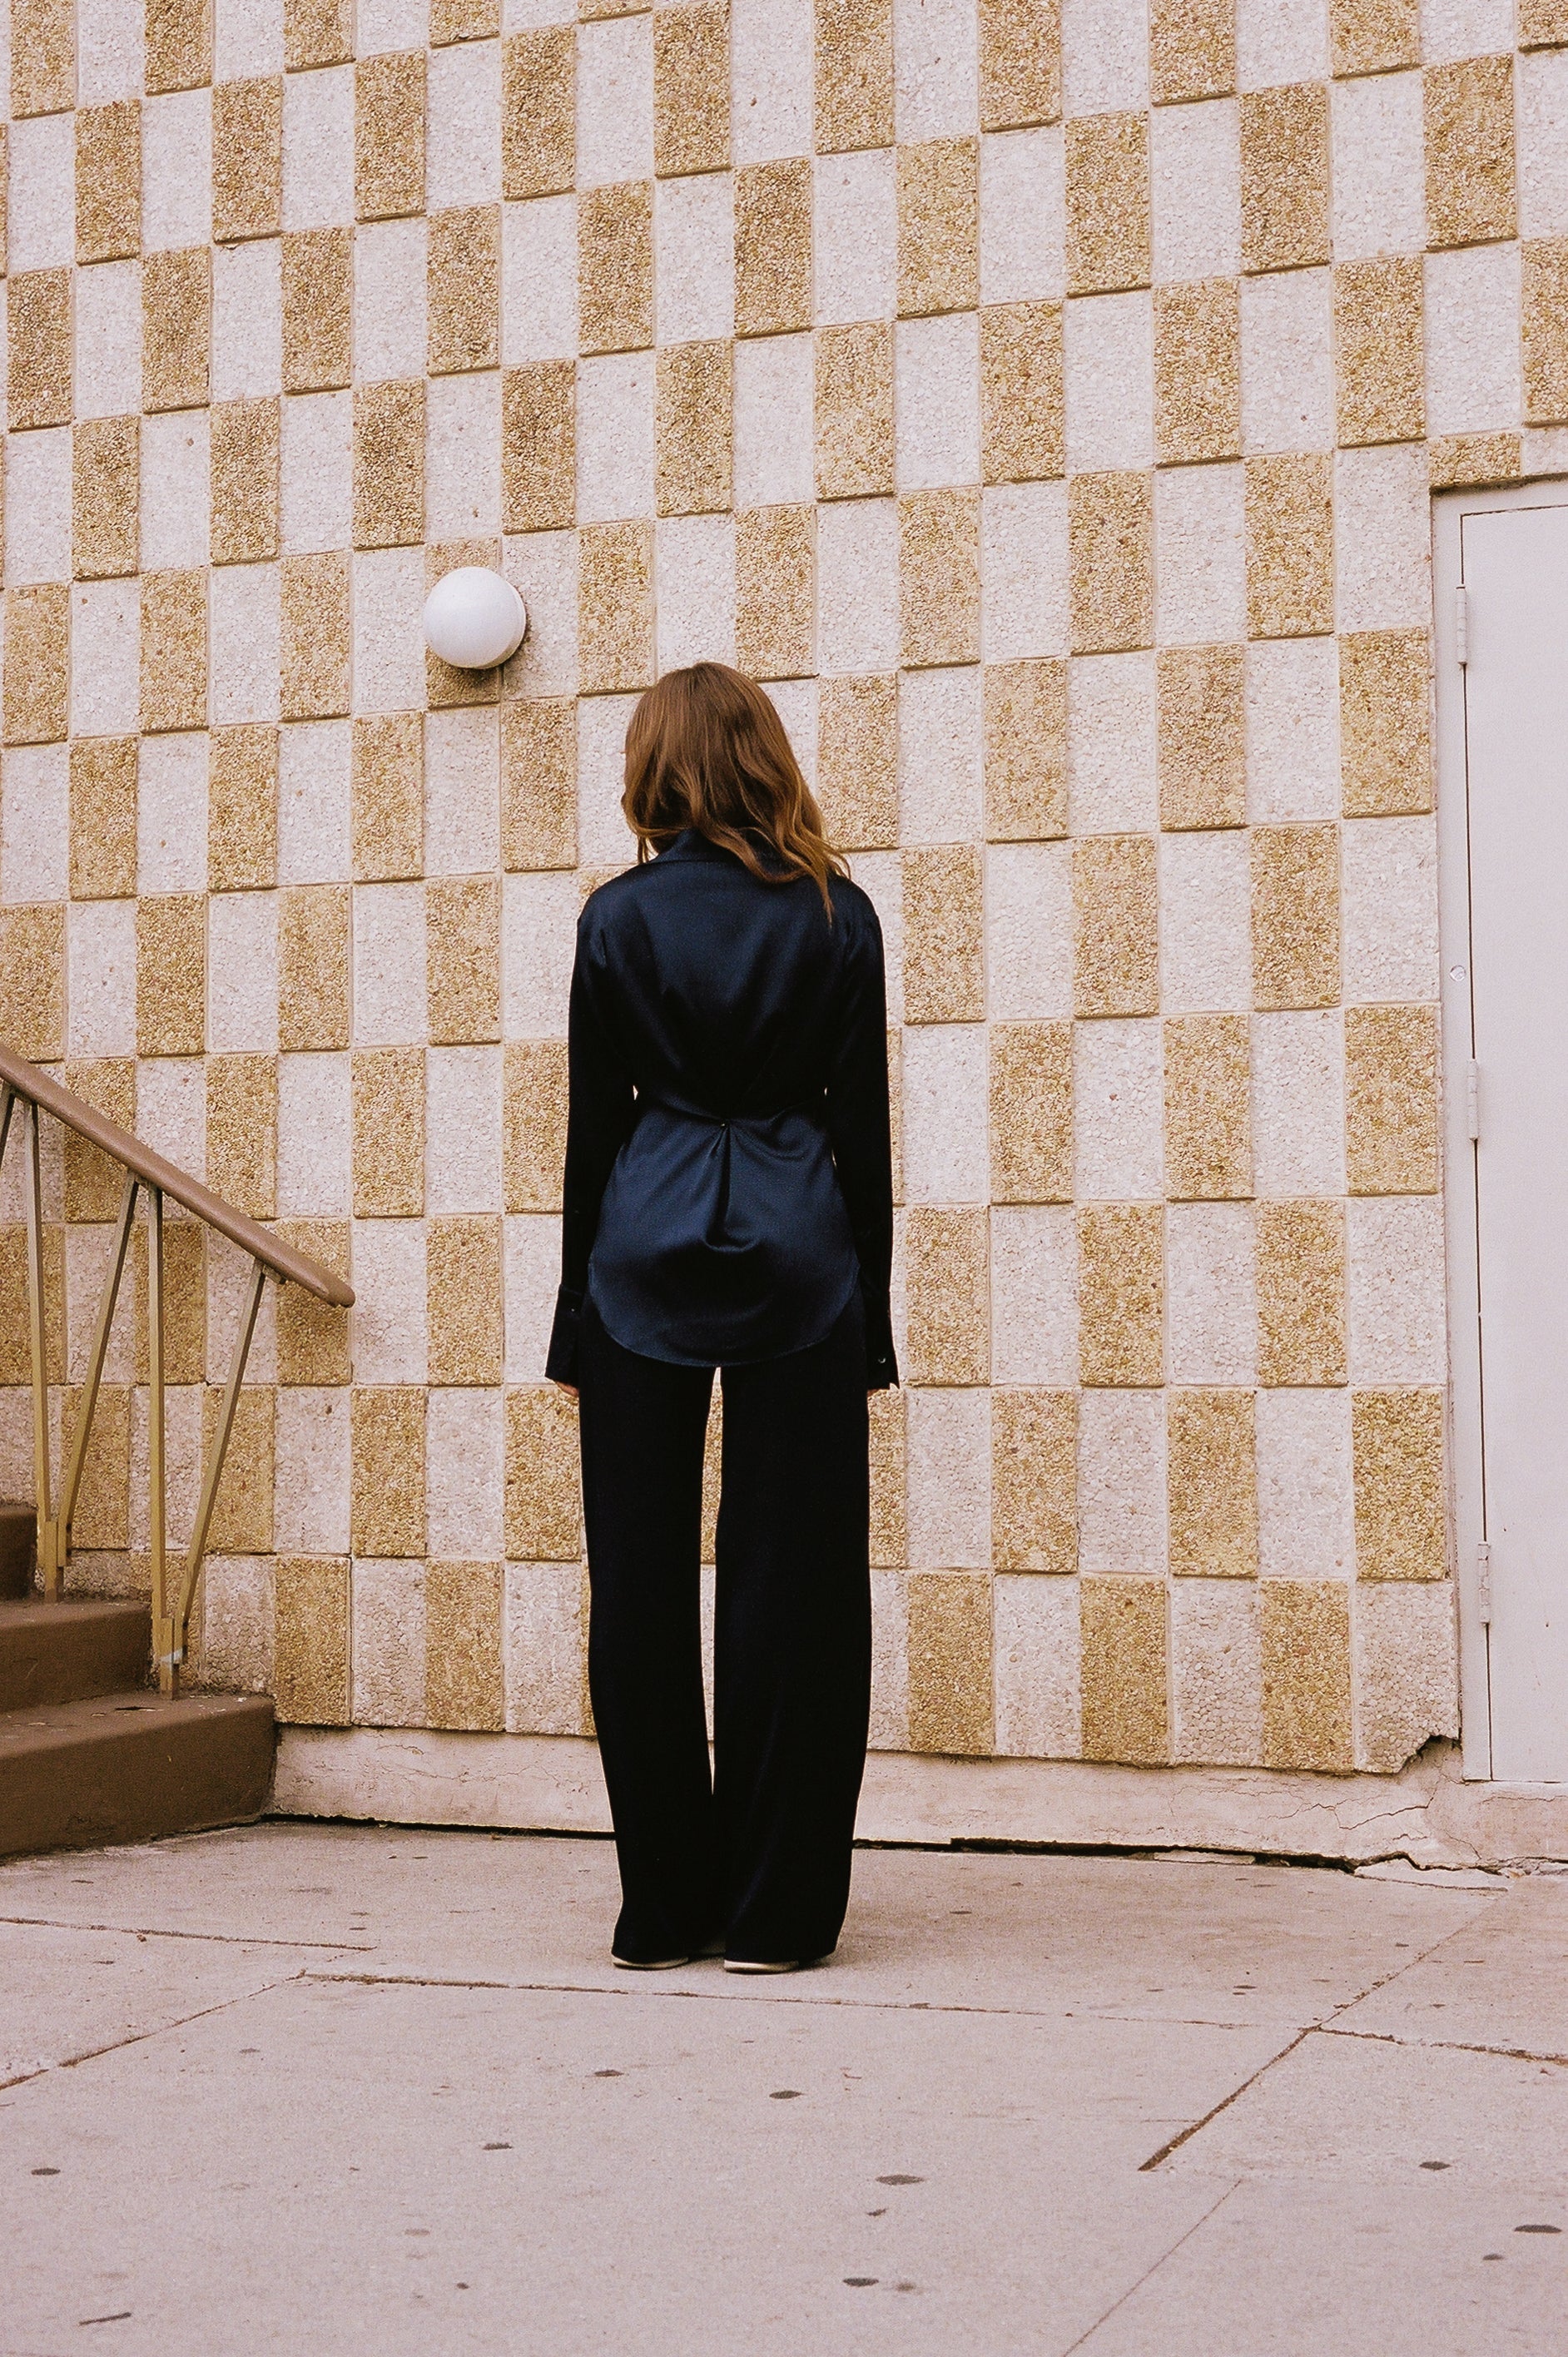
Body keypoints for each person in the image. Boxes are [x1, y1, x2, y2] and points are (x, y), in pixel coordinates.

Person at [545, 661, 897, 1975]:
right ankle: (779, 1911)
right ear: (764, 757)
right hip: (805, 1256)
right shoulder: (836, 913)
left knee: (635, 1586)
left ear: (658, 766)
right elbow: (861, 1130)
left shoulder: (616, 919)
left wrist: (573, 1315)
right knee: (794, 1586)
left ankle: (664, 1907)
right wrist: (871, 1313)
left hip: (640, 1252)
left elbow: (592, 1132)